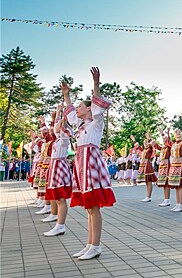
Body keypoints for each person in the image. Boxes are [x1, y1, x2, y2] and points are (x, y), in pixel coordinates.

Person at [62, 67, 116, 260]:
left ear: (88, 109)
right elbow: (70, 115)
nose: (77, 109)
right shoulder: (81, 127)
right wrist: (66, 96)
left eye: (80, 107)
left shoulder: (95, 124)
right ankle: (90, 244)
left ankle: (96, 245)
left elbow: (97, 106)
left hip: (91, 167)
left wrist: (95, 84)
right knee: (89, 208)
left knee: (94, 207)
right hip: (81, 167)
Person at [43, 111, 73, 236]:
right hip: (55, 167)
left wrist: (63, 121)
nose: (54, 129)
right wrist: (57, 114)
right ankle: (58, 223)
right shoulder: (56, 141)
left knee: (61, 198)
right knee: (57, 197)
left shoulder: (64, 140)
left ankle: (60, 225)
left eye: (58, 126)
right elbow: (55, 130)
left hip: (60, 168)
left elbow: (64, 132)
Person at [134, 133, 158, 202]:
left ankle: (149, 196)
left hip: (147, 165)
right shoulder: (143, 150)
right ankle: (147, 196)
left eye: (146, 142)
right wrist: (134, 140)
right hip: (143, 165)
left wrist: (149, 138)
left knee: (149, 181)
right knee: (147, 182)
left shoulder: (149, 149)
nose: (145, 144)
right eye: (144, 143)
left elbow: (152, 144)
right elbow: (138, 147)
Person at [156, 128, 172, 207]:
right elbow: (156, 146)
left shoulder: (169, 147)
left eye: (165, 140)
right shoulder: (163, 148)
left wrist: (166, 133)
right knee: (164, 183)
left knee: (166, 182)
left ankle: (167, 199)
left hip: (167, 165)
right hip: (162, 165)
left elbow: (169, 141)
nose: (164, 141)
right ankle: (166, 199)